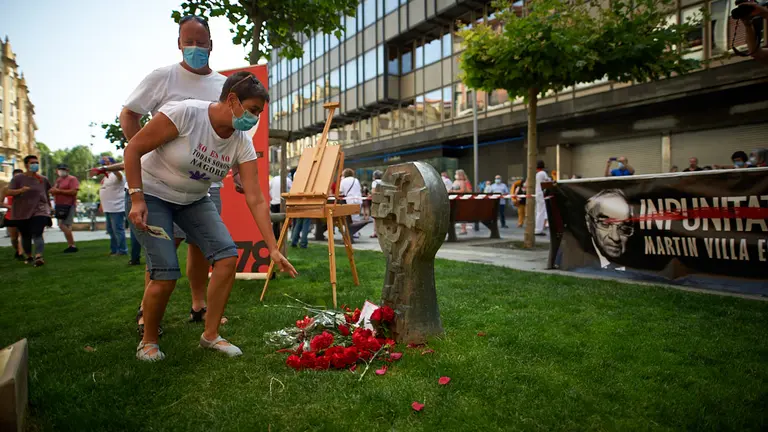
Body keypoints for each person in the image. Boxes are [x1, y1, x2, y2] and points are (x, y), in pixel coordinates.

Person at [124, 71, 297, 361]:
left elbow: (255, 198)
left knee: (227, 257)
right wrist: (137, 197)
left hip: (194, 199)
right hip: (154, 195)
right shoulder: (186, 113)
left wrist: (274, 248)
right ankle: (148, 340)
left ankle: (211, 334)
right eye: (253, 110)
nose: (254, 118)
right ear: (232, 100)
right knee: (165, 272)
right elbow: (134, 148)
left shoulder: (241, 141)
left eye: (259, 112)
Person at [109, 14, 231, 332]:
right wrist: (142, 151)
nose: (194, 48)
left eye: (200, 43)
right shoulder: (163, 77)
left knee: (200, 245)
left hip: (203, 183)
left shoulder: (222, 86)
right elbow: (129, 113)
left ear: (211, 45)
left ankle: (199, 304)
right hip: (158, 185)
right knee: (163, 245)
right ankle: (146, 309)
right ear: (178, 44)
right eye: (188, 42)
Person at [5, 155, 52, 267]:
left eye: (37, 162)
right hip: (22, 211)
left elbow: (47, 194)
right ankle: (29, 256)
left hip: (40, 210)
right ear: (26, 165)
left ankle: (39, 256)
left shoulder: (43, 179)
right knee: (26, 235)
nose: (35, 165)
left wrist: (49, 207)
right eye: (32, 163)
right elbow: (8, 192)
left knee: (37, 233)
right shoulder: (18, 179)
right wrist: (21, 190)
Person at [584, 189, 634, 270]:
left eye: (624, 227)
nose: (615, 237)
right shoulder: (575, 263)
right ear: (589, 223)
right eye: (605, 224)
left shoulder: (636, 264)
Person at [96, 157, 128, 256]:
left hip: (116, 207)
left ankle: (122, 250)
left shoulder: (118, 174)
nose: (103, 165)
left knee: (117, 229)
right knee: (110, 230)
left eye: (106, 163)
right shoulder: (106, 177)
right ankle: (114, 249)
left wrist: (109, 167)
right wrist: (102, 204)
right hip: (108, 207)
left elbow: (118, 175)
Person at [51, 164, 79, 253]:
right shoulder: (59, 180)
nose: (61, 171)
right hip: (59, 204)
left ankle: (72, 244)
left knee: (63, 224)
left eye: (63, 169)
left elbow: (74, 191)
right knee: (64, 225)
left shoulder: (72, 179)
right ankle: (70, 245)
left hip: (68, 204)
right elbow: (55, 190)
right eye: (59, 169)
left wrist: (59, 191)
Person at [1, 168, 25, 260]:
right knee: (14, 238)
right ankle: (17, 250)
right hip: (10, 216)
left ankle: (20, 253)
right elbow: (0, 202)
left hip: (24, 216)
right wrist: (9, 206)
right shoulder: (6, 188)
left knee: (22, 235)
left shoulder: (26, 188)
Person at [269, 173, 293, 240]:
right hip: (282, 202)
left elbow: (268, 187)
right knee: (283, 220)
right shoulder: (287, 179)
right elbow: (292, 189)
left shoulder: (273, 179)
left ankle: (275, 236)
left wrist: (271, 196)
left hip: (274, 202)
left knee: (275, 221)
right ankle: (281, 236)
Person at [452, 169, 472, 235]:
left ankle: (463, 229)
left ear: (460, 175)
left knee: (460, 213)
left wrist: (453, 191)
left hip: (462, 200)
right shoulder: (456, 181)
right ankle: (463, 229)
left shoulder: (464, 182)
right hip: (456, 200)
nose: (456, 175)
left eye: (457, 174)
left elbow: (463, 190)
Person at [534, 160, 551, 236]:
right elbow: (548, 181)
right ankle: (538, 230)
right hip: (542, 194)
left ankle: (538, 228)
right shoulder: (543, 173)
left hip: (538, 194)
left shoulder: (537, 174)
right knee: (541, 212)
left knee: (538, 212)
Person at [370, 170, 383, 238]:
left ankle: (375, 232)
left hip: (376, 202)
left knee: (375, 217)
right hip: (383, 201)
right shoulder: (383, 182)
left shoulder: (375, 182)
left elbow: (374, 192)